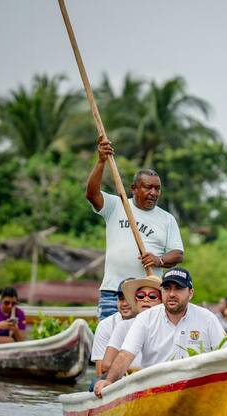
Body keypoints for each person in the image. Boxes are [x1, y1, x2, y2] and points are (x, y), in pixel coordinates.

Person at [86, 136, 185, 320]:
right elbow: (92, 194)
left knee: (145, 347)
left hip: (148, 295)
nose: (153, 193)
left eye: (157, 189)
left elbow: (178, 254)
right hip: (114, 292)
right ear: (134, 188)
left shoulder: (167, 219)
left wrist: (159, 260)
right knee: (109, 344)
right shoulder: (117, 205)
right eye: (148, 188)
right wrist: (101, 161)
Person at [94, 268, 227, 397]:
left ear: (191, 293)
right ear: (162, 292)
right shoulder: (145, 318)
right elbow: (125, 355)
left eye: (178, 288)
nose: (171, 294)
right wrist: (110, 381)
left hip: (197, 390)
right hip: (154, 391)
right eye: (167, 288)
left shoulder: (207, 318)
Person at [97, 275, 164, 382]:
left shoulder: (169, 325)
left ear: (161, 301)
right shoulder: (123, 326)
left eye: (152, 296)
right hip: (127, 380)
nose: (146, 299)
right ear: (135, 300)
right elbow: (106, 366)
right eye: (141, 296)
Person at [90, 278, 137, 389]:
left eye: (128, 299)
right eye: (121, 299)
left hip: (141, 376)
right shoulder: (105, 325)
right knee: (95, 384)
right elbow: (101, 371)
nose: (124, 303)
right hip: (115, 379)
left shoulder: (148, 320)